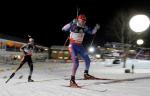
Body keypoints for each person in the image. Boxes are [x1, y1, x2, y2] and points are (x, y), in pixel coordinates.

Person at [62, 14, 100, 87]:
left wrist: (96, 28)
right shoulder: (74, 25)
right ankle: (72, 80)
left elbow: (92, 32)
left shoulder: (85, 27)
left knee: (88, 60)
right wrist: (71, 23)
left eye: (84, 21)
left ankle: (86, 74)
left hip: (80, 46)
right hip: (72, 45)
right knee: (76, 63)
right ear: (78, 20)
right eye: (81, 20)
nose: (83, 22)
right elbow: (63, 29)